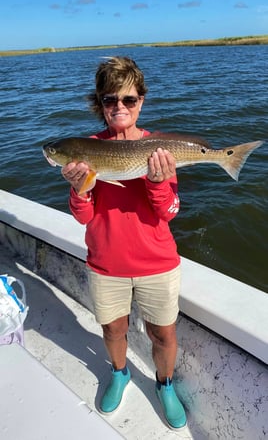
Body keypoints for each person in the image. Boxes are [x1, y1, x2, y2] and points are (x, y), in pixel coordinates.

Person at [61, 56, 187, 430]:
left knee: (162, 333)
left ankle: (164, 383)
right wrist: (79, 187)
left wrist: (158, 181)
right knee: (113, 330)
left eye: (128, 100)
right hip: (106, 263)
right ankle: (120, 372)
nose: (119, 107)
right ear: (100, 104)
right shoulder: (86, 149)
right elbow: (83, 216)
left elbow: (170, 212)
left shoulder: (160, 148)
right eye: (110, 99)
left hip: (157, 263)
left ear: (141, 101)